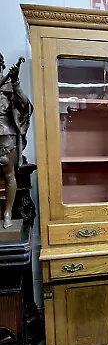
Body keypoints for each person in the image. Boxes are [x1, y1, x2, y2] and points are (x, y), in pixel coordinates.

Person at [0, 53, 33, 228]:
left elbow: (25, 106)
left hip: (5, 136)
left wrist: (15, 82)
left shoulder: (8, 86)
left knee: (9, 175)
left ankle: (7, 213)